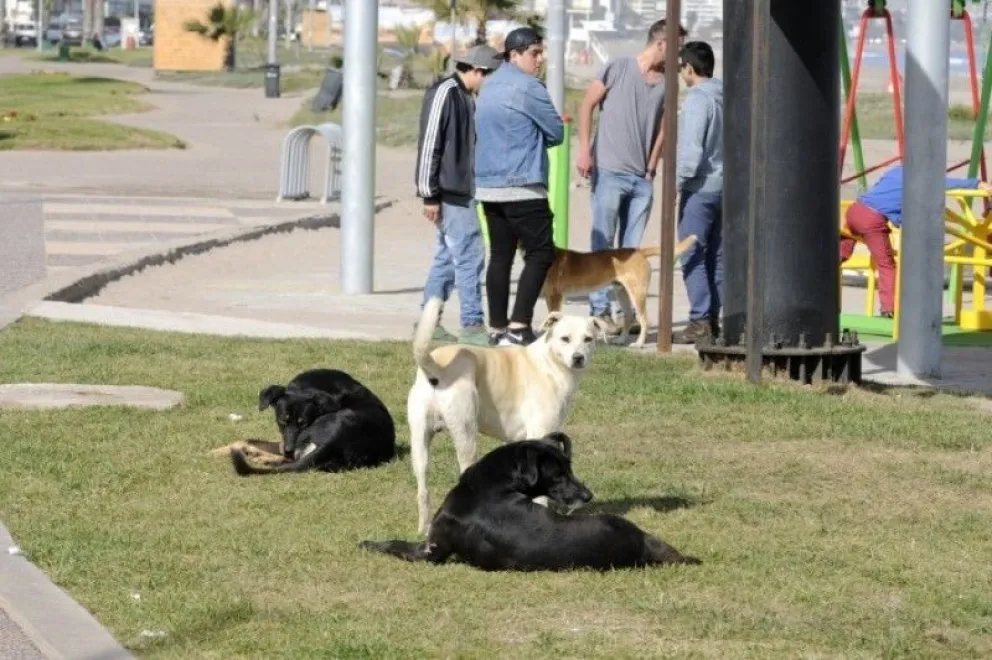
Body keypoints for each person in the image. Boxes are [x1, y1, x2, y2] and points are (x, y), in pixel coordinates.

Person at [576, 19, 687, 335]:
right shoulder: (618, 68)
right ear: (661, 43)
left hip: (641, 179)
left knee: (631, 251)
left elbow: (665, 126)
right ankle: (600, 311)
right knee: (602, 244)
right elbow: (587, 105)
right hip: (609, 171)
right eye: (677, 48)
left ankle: (627, 314)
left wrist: (651, 167)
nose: (679, 56)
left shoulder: (668, 83)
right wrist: (584, 151)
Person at [474, 27, 564, 346]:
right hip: (522, 184)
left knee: (500, 255)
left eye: (541, 53)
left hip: (488, 186)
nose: (539, 60)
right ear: (514, 54)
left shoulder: (488, 85)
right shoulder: (529, 87)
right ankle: (519, 326)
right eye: (534, 53)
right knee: (540, 253)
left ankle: (498, 329)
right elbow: (557, 132)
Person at [414, 44, 505, 345]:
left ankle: (429, 323)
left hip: (463, 190)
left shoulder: (467, 96)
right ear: (477, 71)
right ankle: (472, 324)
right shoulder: (445, 92)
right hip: (450, 191)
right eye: (492, 77)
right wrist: (428, 194)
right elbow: (430, 143)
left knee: (447, 258)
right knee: (470, 255)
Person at [840, 165, 992, 318]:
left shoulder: (896, 170)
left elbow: (887, 194)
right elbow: (948, 183)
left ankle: (836, 260)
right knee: (887, 264)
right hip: (872, 219)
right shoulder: (921, 179)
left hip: (855, 210)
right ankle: (889, 308)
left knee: (848, 239)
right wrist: (977, 183)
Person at [674, 41, 724, 344]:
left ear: (689, 68)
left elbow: (692, 151)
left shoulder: (697, 99)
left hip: (700, 188)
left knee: (691, 252)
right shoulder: (727, 96)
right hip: (726, 188)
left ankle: (700, 319)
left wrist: (677, 182)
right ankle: (714, 318)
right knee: (717, 256)